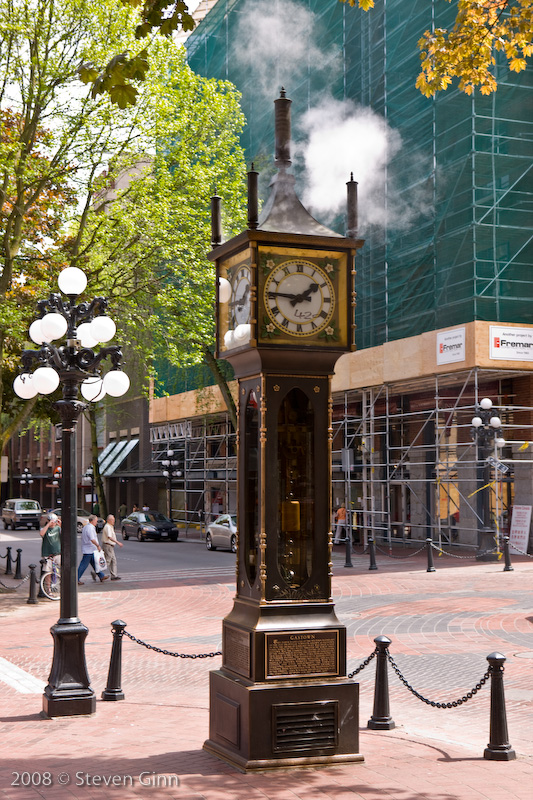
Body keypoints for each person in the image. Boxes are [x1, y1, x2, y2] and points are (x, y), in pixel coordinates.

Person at [78, 515, 108, 584]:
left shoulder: (86, 527)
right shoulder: (90, 528)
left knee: (95, 564)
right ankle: (77, 578)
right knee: (83, 565)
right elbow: (92, 539)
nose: (96, 522)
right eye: (96, 521)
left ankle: (101, 576)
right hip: (89, 549)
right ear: (93, 521)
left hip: (89, 549)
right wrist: (98, 545)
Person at [101, 514, 123, 580]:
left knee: (113, 560)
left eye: (114, 520)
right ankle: (97, 572)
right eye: (112, 520)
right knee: (108, 561)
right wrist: (118, 542)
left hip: (109, 546)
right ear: (108, 520)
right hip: (108, 545)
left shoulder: (110, 526)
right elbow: (109, 537)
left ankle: (114, 575)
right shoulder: (108, 527)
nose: (114, 521)